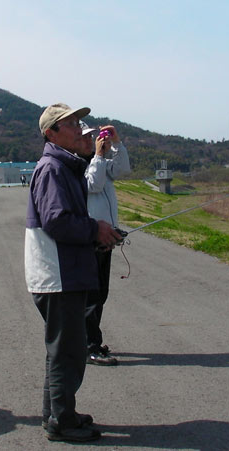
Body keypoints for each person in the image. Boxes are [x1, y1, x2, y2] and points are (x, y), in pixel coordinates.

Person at [25, 103, 122, 442]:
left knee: (63, 350)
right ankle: (62, 422)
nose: (80, 128)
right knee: (67, 352)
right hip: (57, 276)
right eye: (71, 123)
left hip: (62, 273)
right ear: (51, 133)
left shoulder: (65, 167)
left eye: (79, 121)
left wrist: (97, 235)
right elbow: (57, 221)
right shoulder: (53, 169)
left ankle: (56, 413)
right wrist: (95, 230)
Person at [80, 121, 131, 366]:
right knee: (91, 296)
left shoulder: (96, 161)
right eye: (85, 137)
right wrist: (99, 156)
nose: (90, 141)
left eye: (92, 136)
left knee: (101, 293)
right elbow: (94, 185)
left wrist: (117, 143)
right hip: (89, 238)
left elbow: (122, 170)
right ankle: (89, 345)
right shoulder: (76, 165)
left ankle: (90, 341)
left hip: (105, 238)